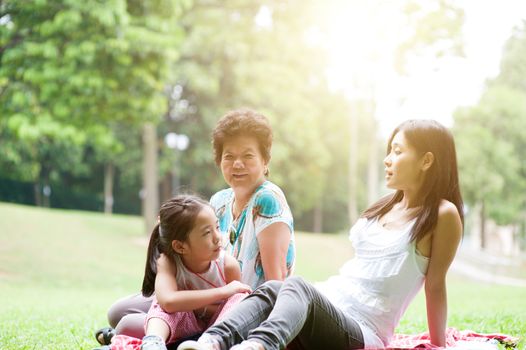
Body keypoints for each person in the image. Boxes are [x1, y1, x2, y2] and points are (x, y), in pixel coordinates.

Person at [176, 119, 464, 350]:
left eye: (398, 151)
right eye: (389, 150)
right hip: (329, 305)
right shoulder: (386, 207)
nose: (388, 159)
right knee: (274, 288)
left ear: (426, 161)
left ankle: (260, 345)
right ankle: (211, 342)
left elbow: (435, 285)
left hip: (362, 329)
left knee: (297, 286)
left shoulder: (442, 215)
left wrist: (438, 346)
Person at [95, 109, 295, 346]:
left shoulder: (267, 200)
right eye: (229, 156)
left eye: (248, 156)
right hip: (202, 296)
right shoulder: (220, 201)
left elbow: (275, 284)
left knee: (126, 324)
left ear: (265, 160)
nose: (237, 164)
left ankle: (191, 339)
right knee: (118, 311)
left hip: (240, 309)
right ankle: (178, 334)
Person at [137, 195, 251, 350]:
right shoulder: (169, 262)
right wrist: (223, 292)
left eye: (217, 227)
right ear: (180, 247)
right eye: (206, 233)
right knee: (160, 304)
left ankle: (207, 346)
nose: (218, 238)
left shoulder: (228, 266)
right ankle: (153, 343)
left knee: (240, 297)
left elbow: (232, 311)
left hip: (217, 331)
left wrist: (195, 305)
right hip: (183, 326)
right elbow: (168, 302)